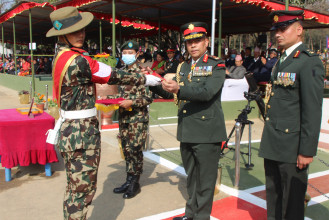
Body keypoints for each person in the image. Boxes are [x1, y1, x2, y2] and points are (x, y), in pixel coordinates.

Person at [46, 7, 161, 220]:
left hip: (73, 132)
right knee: (82, 192)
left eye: (81, 29)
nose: (80, 34)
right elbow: (110, 74)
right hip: (81, 135)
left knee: (74, 190)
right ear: (62, 35)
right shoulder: (77, 60)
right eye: (74, 31)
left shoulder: (61, 56)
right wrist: (144, 79)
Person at [149, 22, 227, 220]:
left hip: (207, 132)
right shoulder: (183, 66)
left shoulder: (216, 65)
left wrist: (178, 89)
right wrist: (152, 83)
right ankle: (190, 214)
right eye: (189, 42)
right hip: (187, 129)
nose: (193, 45)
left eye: (198, 41)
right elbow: (172, 94)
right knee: (191, 177)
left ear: (207, 42)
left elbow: (207, 93)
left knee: (206, 181)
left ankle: (202, 217)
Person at [259, 10, 324, 220]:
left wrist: (307, 149)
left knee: (292, 202)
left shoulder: (308, 61)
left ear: (299, 30)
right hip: (274, 140)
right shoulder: (281, 60)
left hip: (292, 145)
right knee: (274, 196)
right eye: (276, 30)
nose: (278, 34)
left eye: (283, 29)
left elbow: (312, 109)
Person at [110, 40, 153, 199]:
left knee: (135, 150)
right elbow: (117, 93)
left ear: (137, 54)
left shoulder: (143, 73)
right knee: (127, 150)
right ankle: (128, 180)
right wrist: (111, 100)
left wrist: (132, 102)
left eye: (130, 53)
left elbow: (149, 98)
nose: (127, 56)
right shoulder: (120, 72)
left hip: (137, 119)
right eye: (125, 53)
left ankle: (135, 182)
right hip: (124, 118)